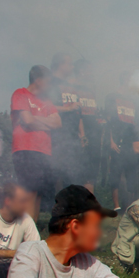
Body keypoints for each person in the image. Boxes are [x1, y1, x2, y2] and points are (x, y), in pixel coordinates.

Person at [4, 185, 136, 278]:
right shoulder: (31, 251)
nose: (100, 233)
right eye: (95, 225)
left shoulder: (88, 263)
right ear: (76, 226)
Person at [10, 65, 61, 222]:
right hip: (25, 149)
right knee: (29, 191)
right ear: (38, 81)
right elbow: (27, 121)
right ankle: (25, 232)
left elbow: (58, 123)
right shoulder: (20, 94)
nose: (51, 85)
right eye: (48, 81)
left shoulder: (47, 101)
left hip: (44, 151)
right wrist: (45, 122)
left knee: (38, 192)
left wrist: (34, 119)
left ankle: (32, 230)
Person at [46, 53, 83, 188]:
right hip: (56, 135)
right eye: (70, 63)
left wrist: (82, 134)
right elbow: (43, 107)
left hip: (73, 136)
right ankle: (49, 206)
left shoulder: (72, 86)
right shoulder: (50, 83)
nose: (72, 67)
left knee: (72, 173)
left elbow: (78, 112)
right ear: (60, 65)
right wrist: (68, 108)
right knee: (54, 171)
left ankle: (69, 206)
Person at [103, 75, 138, 211]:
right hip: (117, 141)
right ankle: (116, 206)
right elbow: (107, 120)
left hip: (130, 143)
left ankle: (130, 206)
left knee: (131, 174)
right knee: (116, 174)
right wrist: (111, 141)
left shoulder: (133, 100)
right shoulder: (112, 97)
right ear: (124, 80)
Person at [73, 59, 102, 192]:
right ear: (81, 71)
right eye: (89, 70)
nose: (92, 73)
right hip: (80, 134)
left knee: (91, 173)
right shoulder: (73, 88)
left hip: (94, 135)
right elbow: (76, 115)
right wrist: (81, 134)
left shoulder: (91, 90)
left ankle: (89, 206)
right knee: (76, 170)